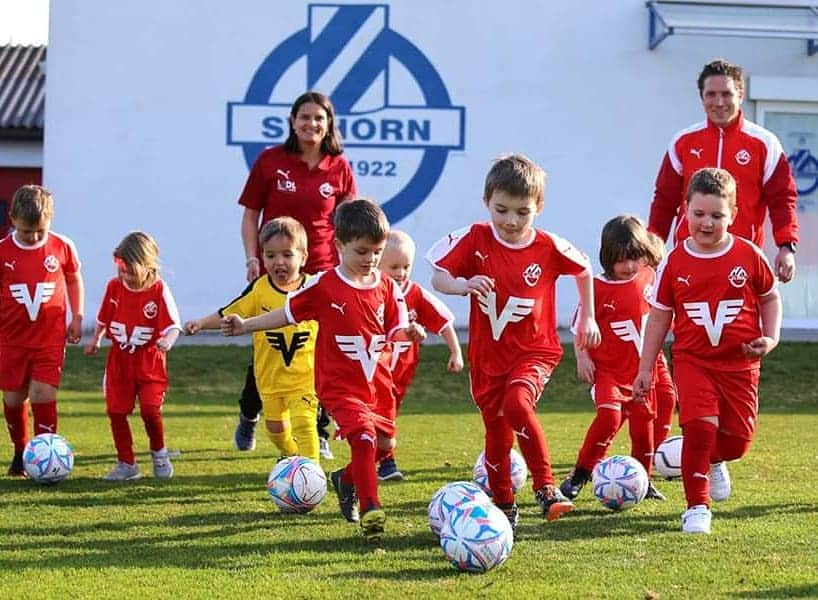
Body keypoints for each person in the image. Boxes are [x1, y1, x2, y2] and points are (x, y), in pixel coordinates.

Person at [222, 199, 426, 541]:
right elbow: (286, 314)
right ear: (339, 245)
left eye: (376, 252)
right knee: (362, 439)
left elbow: (396, 330)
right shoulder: (323, 286)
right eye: (362, 251)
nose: (371, 259)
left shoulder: (387, 287)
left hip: (378, 384)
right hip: (338, 385)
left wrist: (411, 333)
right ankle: (371, 509)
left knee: (384, 445)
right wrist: (247, 326)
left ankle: (347, 480)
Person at [427, 154, 601, 533]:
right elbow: (438, 275)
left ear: (538, 207)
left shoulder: (549, 246)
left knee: (517, 405)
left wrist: (587, 315)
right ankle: (504, 503)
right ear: (486, 200)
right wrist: (462, 285)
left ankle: (546, 489)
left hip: (535, 351)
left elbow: (584, 268)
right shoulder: (473, 239)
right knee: (497, 432)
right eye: (501, 209)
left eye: (522, 212)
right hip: (487, 358)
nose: (510, 221)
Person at [634, 168, 782, 535]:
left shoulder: (748, 255)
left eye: (717, 215)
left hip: (740, 366)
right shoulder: (674, 261)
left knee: (736, 443)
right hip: (693, 361)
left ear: (733, 214)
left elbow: (770, 297)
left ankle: (714, 460)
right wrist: (645, 368)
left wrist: (772, 337)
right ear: (684, 210)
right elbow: (658, 319)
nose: (706, 222)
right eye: (698, 214)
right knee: (699, 429)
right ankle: (697, 507)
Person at [234, 91, 357, 456]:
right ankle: (249, 412)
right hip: (276, 271)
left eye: (319, 118)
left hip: (320, 272)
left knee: (318, 352)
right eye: (304, 117)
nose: (311, 124)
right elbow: (250, 214)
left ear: (329, 124)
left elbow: (350, 223)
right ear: (292, 121)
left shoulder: (339, 167)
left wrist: (346, 270)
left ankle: (317, 429)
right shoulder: (271, 161)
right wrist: (252, 258)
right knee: (268, 343)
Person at [648, 58, 799, 283]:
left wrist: (786, 247)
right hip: (689, 258)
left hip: (742, 261)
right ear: (702, 97)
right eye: (711, 94)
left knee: (741, 319)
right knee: (685, 319)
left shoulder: (764, 143)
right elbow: (664, 200)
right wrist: (652, 250)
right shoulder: (683, 142)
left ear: (740, 95)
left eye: (726, 94)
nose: (719, 102)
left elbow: (782, 199)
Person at [185, 217, 320, 462]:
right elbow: (230, 312)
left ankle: (311, 473)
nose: (279, 262)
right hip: (269, 380)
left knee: (305, 424)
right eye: (270, 255)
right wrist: (202, 323)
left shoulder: (315, 289)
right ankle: (291, 458)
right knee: (276, 431)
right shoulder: (259, 289)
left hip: (305, 379)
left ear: (303, 257)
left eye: (287, 255)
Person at [560, 215, 674, 501]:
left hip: (643, 369)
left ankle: (643, 480)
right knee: (609, 417)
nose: (629, 266)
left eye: (634, 258)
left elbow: (659, 256)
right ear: (607, 258)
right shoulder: (597, 288)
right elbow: (580, 326)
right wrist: (582, 357)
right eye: (621, 260)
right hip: (608, 371)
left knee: (644, 424)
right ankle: (581, 473)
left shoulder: (648, 272)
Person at [1, 185, 84, 476]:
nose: (35, 237)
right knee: (13, 398)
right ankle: (20, 450)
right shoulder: (3, 252)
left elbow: (73, 280)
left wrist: (77, 316)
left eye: (40, 231)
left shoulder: (62, 246)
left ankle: (47, 455)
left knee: (43, 394)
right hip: (11, 340)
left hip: (49, 338)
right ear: (12, 219)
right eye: (27, 232)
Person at [84, 232, 182, 480]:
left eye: (129, 269)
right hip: (119, 362)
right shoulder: (114, 287)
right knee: (116, 411)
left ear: (146, 265)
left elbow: (173, 325)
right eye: (120, 268)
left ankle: (159, 454)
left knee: (150, 411)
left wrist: (167, 342)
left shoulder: (159, 290)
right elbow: (103, 317)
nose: (123, 274)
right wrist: (96, 339)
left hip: (149, 361)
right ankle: (127, 464)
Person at [375, 230, 464, 482]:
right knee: (381, 416)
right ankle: (386, 462)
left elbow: (444, 321)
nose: (401, 273)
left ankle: (370, 458)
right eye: (394, 266)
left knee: (385, 417)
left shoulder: (416, 294)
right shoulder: (369, 291)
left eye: (406, 267)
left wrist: (456, 351)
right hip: (372, 369)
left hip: (402, 373)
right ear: (378, 263)